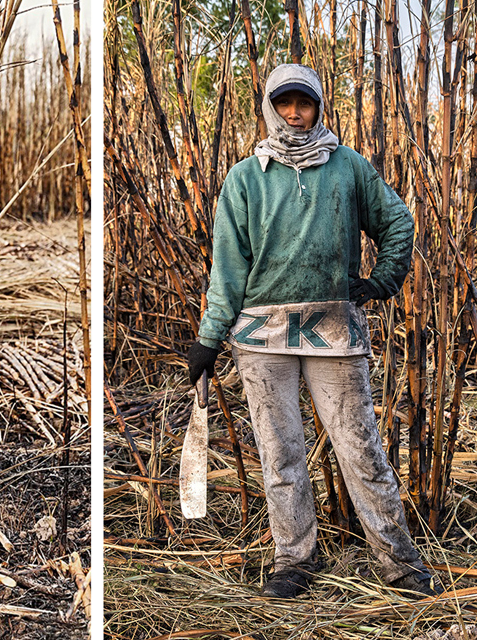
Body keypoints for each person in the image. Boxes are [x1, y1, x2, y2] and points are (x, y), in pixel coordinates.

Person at [187, 63, 442, 599]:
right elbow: (228, 268)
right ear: (269, 106)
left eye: (304, 102)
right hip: (261, 337)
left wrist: (383, 279)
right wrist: (210, 338)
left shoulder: (347, 166)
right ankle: (294, 559)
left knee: (360, 447)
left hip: (334, 330)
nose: (295, 113)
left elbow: (398, 220)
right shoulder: (245, 178)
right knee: (280, 453)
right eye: (284, 103)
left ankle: (398, 561)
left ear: (318, 106)